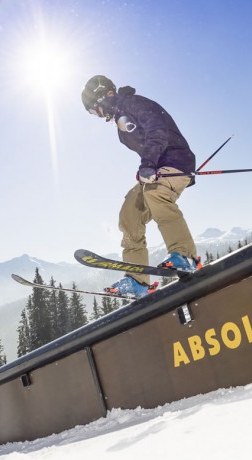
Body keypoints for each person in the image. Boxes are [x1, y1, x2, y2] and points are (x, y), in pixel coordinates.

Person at [81, 75, 200, 298]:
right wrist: (146, 167)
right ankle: (138, 281)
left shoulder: (133, 104)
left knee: (156, 193)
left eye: (93, 109)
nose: (96, 115)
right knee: (130, 212)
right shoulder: (120, 124)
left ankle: (185, 256)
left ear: (104, 96)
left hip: (176, 162)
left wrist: (148, 163)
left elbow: (157, 130)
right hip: (156, 169)